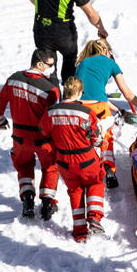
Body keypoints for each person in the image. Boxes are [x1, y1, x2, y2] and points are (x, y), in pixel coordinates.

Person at [75, 38, 137, 188]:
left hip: (80, 107)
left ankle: (83, 169)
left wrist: (120, 111)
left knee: (83, 137)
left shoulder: (82, 64)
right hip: (99, 107)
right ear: (106, 51)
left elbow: (89, 94)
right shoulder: (110, 62)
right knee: (106, 137)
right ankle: (108, 168)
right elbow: (127, 94)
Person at [0, 49, 61, 219]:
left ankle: (28, 199)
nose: (51, 69)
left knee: (23, 166)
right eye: (50, 65)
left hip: (20, 137)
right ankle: (47, 203)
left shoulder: (13, 79)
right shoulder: (50, 89)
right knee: (51, 167)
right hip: (43, 139)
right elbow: (55, 117)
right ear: (39, 64)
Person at [39, 76, 106, 242]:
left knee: (75, 192)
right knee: (95, 183)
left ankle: (80, 233)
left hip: (64, 161)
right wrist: (101, 138)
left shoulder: (51, 112)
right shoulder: (86, 113)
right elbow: (96, 139)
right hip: (86, 158)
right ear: (79, 93)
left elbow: (44, 132)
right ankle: (95, 216)